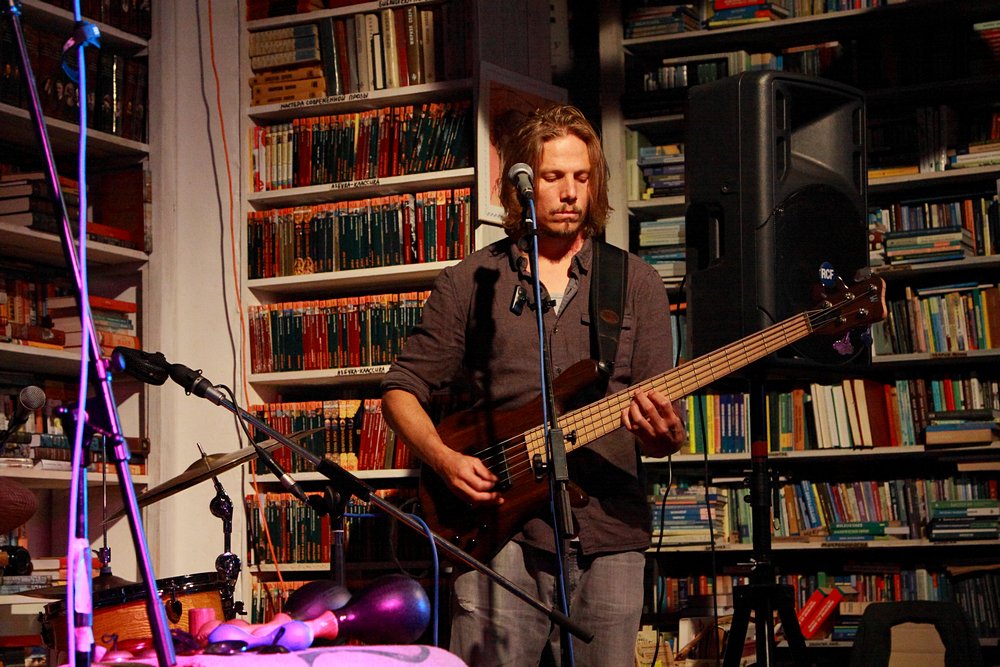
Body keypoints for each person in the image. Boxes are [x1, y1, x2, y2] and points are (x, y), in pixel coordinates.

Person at [381, 104, 686, 666]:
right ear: (521, 184)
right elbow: (402, 388)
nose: (570, 192)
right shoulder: (471, 281)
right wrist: (444, 460)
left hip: (609, 532)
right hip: (499, 535)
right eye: (552, 176)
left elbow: (658, 422)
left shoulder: (636, 282)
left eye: (582, 177)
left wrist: (664, 435)